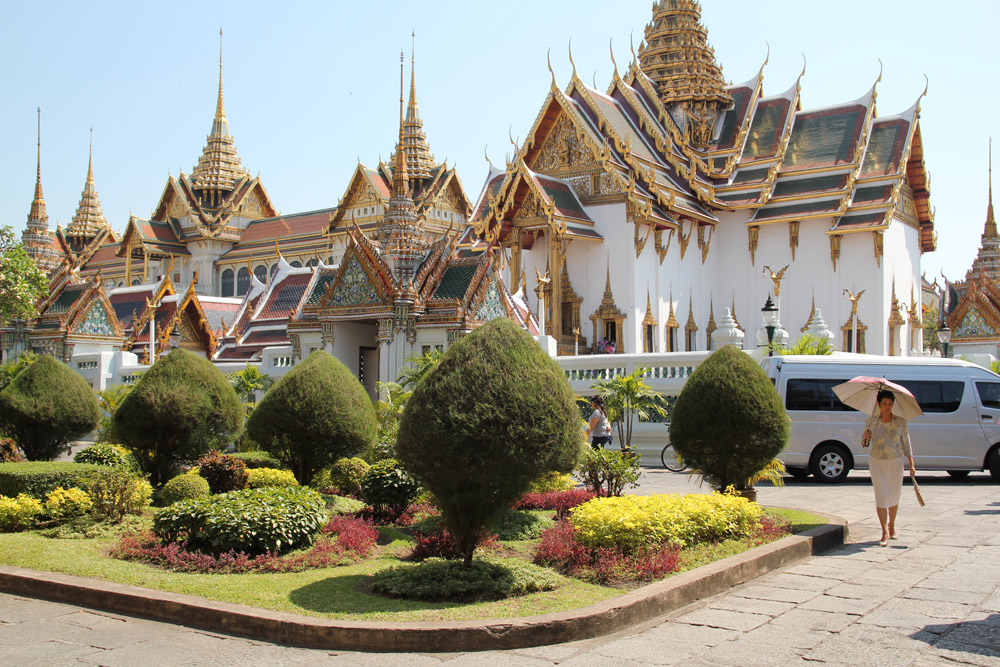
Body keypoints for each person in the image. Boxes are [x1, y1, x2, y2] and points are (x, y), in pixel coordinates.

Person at [861, 389, 917, 547]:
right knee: (881, 495)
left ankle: (892, 525)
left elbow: (906, 443)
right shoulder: (871, 421)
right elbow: (864, 444)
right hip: (877, 461)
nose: (887, 406)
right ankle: (884, 530)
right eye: (884, 403)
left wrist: (911, 463)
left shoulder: (900, 421)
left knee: (893, 494)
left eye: (890, 404)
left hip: (895, 461)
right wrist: (865, 438)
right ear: (878, 404)